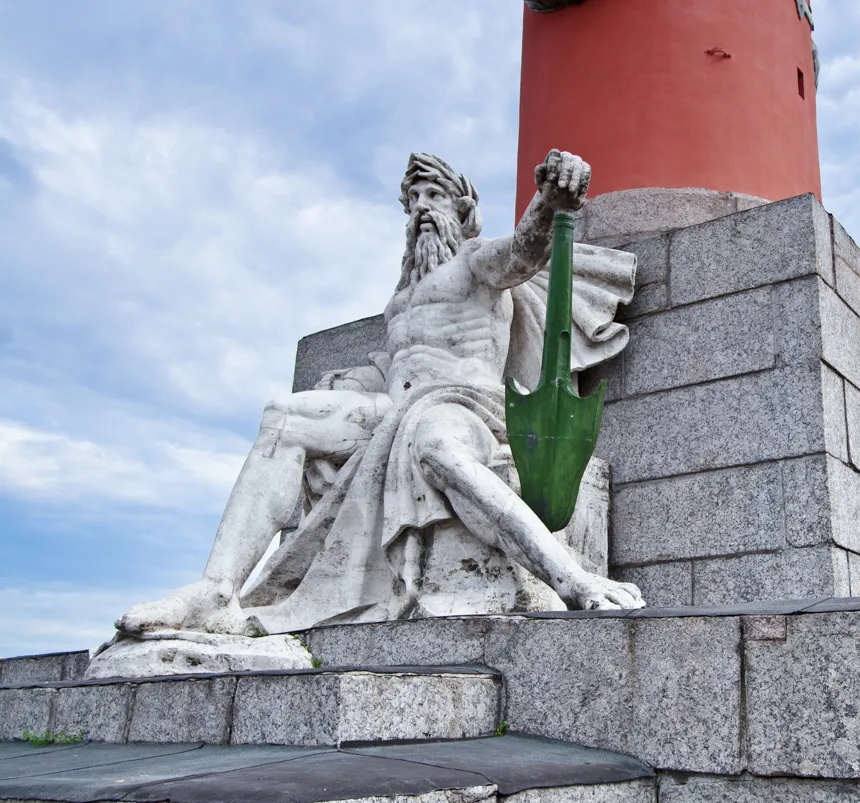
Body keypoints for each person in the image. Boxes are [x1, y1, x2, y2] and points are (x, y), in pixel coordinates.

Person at [116, 149, 645, 637]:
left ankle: (571, 579)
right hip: (392, 406)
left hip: (461, 402)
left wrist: (548, 202)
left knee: (436, 449)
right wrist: (351, 386)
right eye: (412, 199)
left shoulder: (476, 261)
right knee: (283, 417)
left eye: (434, 196)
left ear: (464, 210)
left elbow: (524, 253)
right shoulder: (402, 294)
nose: (421, 208)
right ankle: (216, 591)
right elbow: (398, 365)